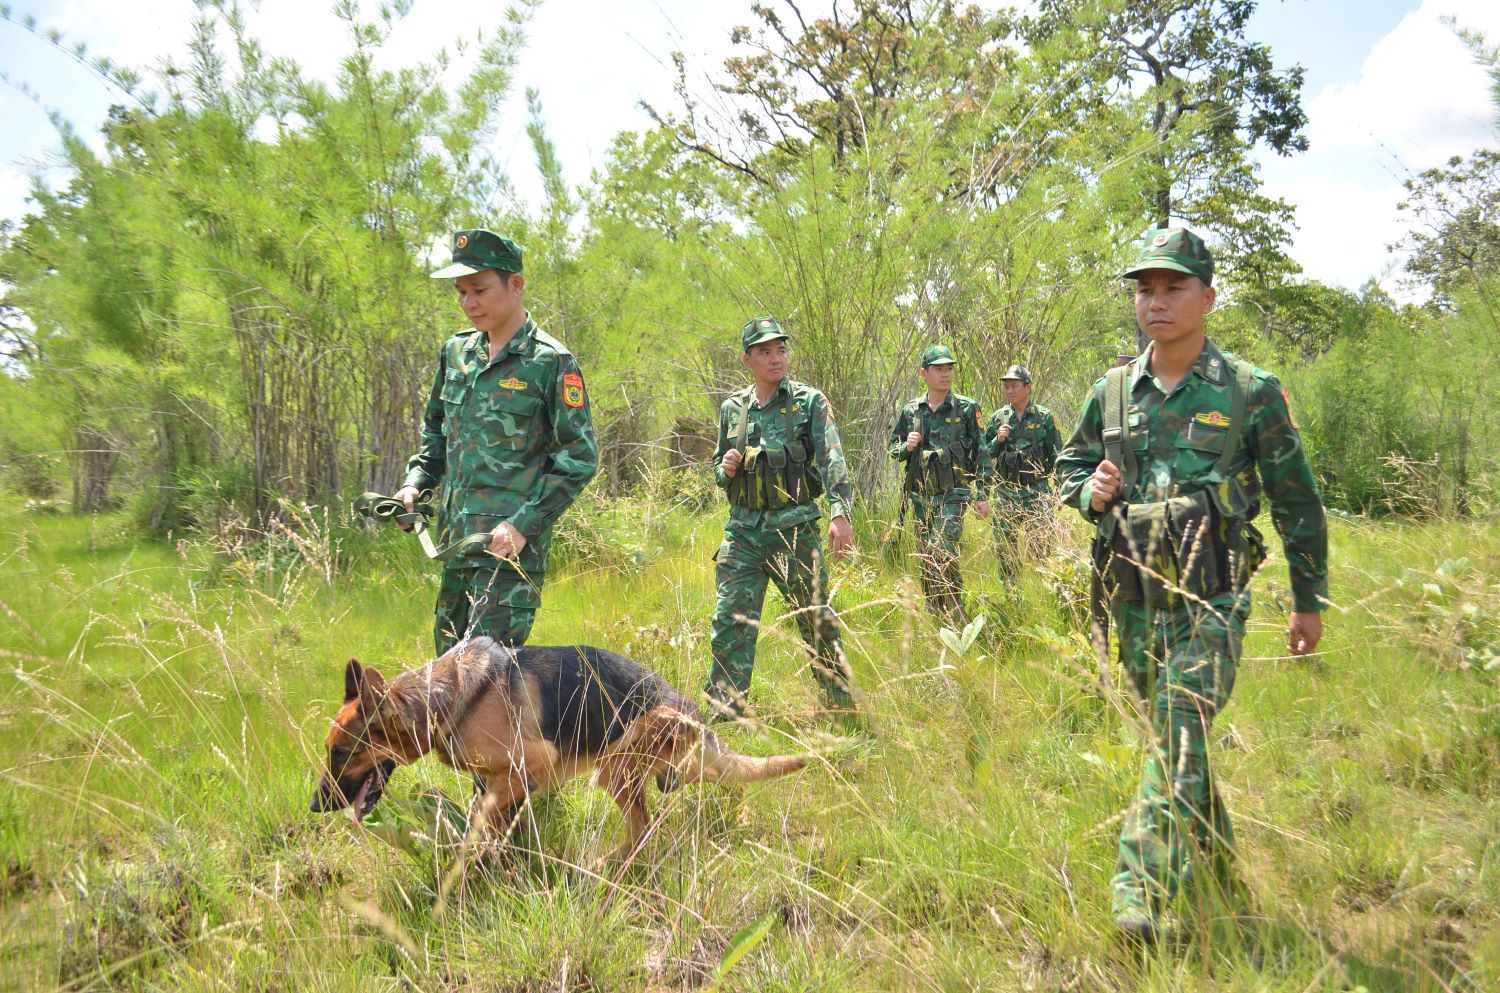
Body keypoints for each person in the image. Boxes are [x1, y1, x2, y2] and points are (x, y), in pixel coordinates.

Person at [1055, 226, 1328, 941]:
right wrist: (1093, 491)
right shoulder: (1112, 392)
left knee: (1179, 724)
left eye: (1174, 287)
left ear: (1208, 296)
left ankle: (1137, 891)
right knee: (1176, 739)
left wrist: (1308, 599)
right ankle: (1222, 872)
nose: (1157, 301)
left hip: (1217, 595)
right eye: (1145, 288)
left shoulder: (1250, 391)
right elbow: (1067, 469)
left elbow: (1296, 498)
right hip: (1136, 596)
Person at [394, 229, 599, 656]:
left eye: (480, 290)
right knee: (447, 683)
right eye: (461, 292)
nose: (469, 303)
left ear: (516, 285)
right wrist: (415, 484)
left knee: (487, 687)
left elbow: (578, 456)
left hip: (509, 557)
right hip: (457, 547)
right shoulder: (456, 353)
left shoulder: (551, 362)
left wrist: (524, 524)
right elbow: (436, 433)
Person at [704, 316, 858, 722]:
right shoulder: (732, 409)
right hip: (743, 533)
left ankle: (841, 708)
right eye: (765, 352)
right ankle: (725, 715)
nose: (776, 359)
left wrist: (840, 514)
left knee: (816, 618)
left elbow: (832, 459)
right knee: (730, 621)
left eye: (781, 350)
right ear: (747, 360)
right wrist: (728, 468)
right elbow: (719, 471)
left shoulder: (808, 402)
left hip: (795, 531)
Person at [887, 345, 991, 618]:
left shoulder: (967, 408)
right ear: (924, 373)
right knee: (926, 557)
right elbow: (893, 447)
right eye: (939, 369)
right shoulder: (912, 410)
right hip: (921, 496)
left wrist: (982, 494)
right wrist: (905, 447)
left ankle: (955, 608)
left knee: (940, 548)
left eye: (949, 369)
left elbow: (981, 451)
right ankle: (939, 610)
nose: (946, 375)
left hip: (954, 494)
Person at [983, 365, 1061, 583]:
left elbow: (1057, 453)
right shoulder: (999, 418)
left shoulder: (1044, 417)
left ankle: (1043, 590)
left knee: (1042, 546)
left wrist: (1060, 488)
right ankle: (1013, 594)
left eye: (1014, 385)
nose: (1009, 390)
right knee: (1005, 548)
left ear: (1028, 387)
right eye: (1006, 386)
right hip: (1006, 491)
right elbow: (984, 454)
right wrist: (997, 440)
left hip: (1037, 490)